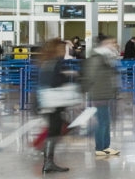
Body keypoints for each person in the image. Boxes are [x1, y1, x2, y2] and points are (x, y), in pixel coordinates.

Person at [37, 37, 76, 174]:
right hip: (53, 103)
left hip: (48, 103)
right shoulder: (55, 62)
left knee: (58, 128)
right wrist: (66, 77)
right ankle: (48, 162)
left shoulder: (47, 62)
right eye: (62, 48)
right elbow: (54, 82)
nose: (63, 51)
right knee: (57, 130)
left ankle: (48, 158)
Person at [82, 34, 121, 158]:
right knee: (101, 121)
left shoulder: (106, 57)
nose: (113, 45)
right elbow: (90, 76)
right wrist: (85, 91)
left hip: (105, 93)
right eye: (110, 42)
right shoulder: (96, 58)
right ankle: (100, 147)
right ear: (103, 44)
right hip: (98, 94)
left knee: (106, 121)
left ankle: (105, 146)